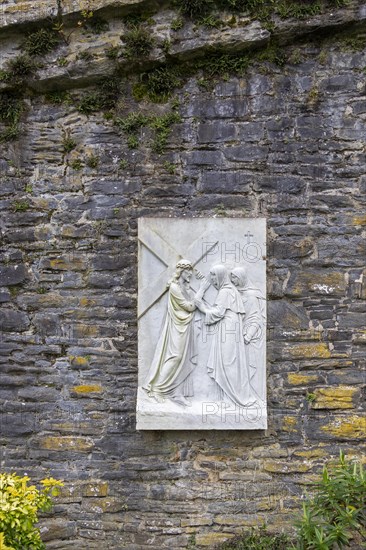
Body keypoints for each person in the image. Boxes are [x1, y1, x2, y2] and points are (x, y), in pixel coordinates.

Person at [143, 259, 209, 406]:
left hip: (185, 326)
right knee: (175, 357)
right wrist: (202, 291)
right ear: (181, 271)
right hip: (177, 327)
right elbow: (189, 306)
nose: (190, 274)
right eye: (188, 271)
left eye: (191, 270)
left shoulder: (184, 286)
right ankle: (157, 390)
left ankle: (176, 393)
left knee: (184, 359)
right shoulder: (174, 287)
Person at [194, 264, 256, 407]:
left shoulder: (226, 291)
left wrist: (202, 307)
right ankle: (228, 398)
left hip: (228, 329)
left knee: (228, 363)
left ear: (221, 276)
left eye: (214, 276)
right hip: (227, 328)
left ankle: (232, 398)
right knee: (226, 362)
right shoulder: (228, 291)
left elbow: (218, 312)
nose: (213, 280)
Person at [230, 266, 266, 399]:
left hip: (251, 339)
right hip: (240, 336)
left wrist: (248, 335)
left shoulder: (251, 295)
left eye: (234, 277)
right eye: (231, 277)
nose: (232, 280)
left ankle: (255, 397)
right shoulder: (237, 293)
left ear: (241, 278)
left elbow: (256, 318)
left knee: (252, 369)